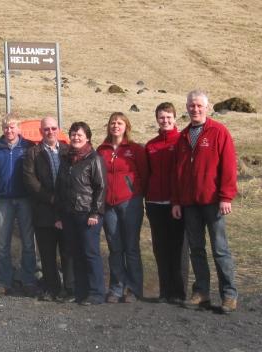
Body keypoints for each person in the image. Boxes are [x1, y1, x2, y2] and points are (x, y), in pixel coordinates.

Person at [172, 90, 238, 313]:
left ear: (208, 108)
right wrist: (177, 201)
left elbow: (228, 167)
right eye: (192, 106)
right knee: (196, 249)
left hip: (212, 201)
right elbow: (178, 173)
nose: (195, 109)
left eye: (199, 106)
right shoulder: (183, 137)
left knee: (220, 249)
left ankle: (228, 295)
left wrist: (226, 196)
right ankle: (201, 292)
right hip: (190, 203)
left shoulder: (219, 132)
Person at [97, 112, 148, 303]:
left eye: (119, 123)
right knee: (115, 247)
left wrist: (136, 193)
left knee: (131, 247)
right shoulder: (102, 150)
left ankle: (134, 289)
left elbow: (144, 174)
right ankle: (116, 288)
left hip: (130, 202)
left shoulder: (135, 149)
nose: (115, 126)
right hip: (108, 205)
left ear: (126, 126)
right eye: (112, 123)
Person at [0, 113, 37, 298]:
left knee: (28, 242)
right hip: (3, 200)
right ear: (2, 129)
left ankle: (28, 279)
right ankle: (3, 281)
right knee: (3, 243)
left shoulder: (28, 147)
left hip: (25, 199)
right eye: (6, 127)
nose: (9, 130)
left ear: (19, 128)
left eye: (12, 127)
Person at [23, 116, 74, 301]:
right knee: (47, 253)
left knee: (68, 252)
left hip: (66, 211)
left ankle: (70, 288)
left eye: (53, 128)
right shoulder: (33, 153)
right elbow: (30, 180)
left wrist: (64, 199)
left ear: (58, 129)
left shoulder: (68, 151)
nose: (50, 132)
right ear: (40, 132)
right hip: (43, 209)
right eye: (46, 129)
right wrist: (51, 198)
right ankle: (52, 287)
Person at [55, 122, 107, 305]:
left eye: (80, 135)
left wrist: (95, 213)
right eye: (73, 134)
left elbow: (100, 188)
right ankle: (81, 291)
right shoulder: (65, 159)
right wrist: (60, 215)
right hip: (69, 213)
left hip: (87, 214)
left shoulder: (94, 159)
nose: (76, 138)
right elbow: (60, 187)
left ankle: (97, 292)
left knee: (90, 253)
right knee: (75, 253)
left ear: (88, 137)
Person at [145, 102, 187, 304]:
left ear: (175, 118)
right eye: (162, 117)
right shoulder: (151, 145)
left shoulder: (181, 141)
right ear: (157, 119)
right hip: (154, 202)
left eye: (169, 117)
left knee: (177, 247)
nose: (165, 120)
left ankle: (179, 292)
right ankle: (164, 291)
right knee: (160, 248)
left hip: (175, 203)